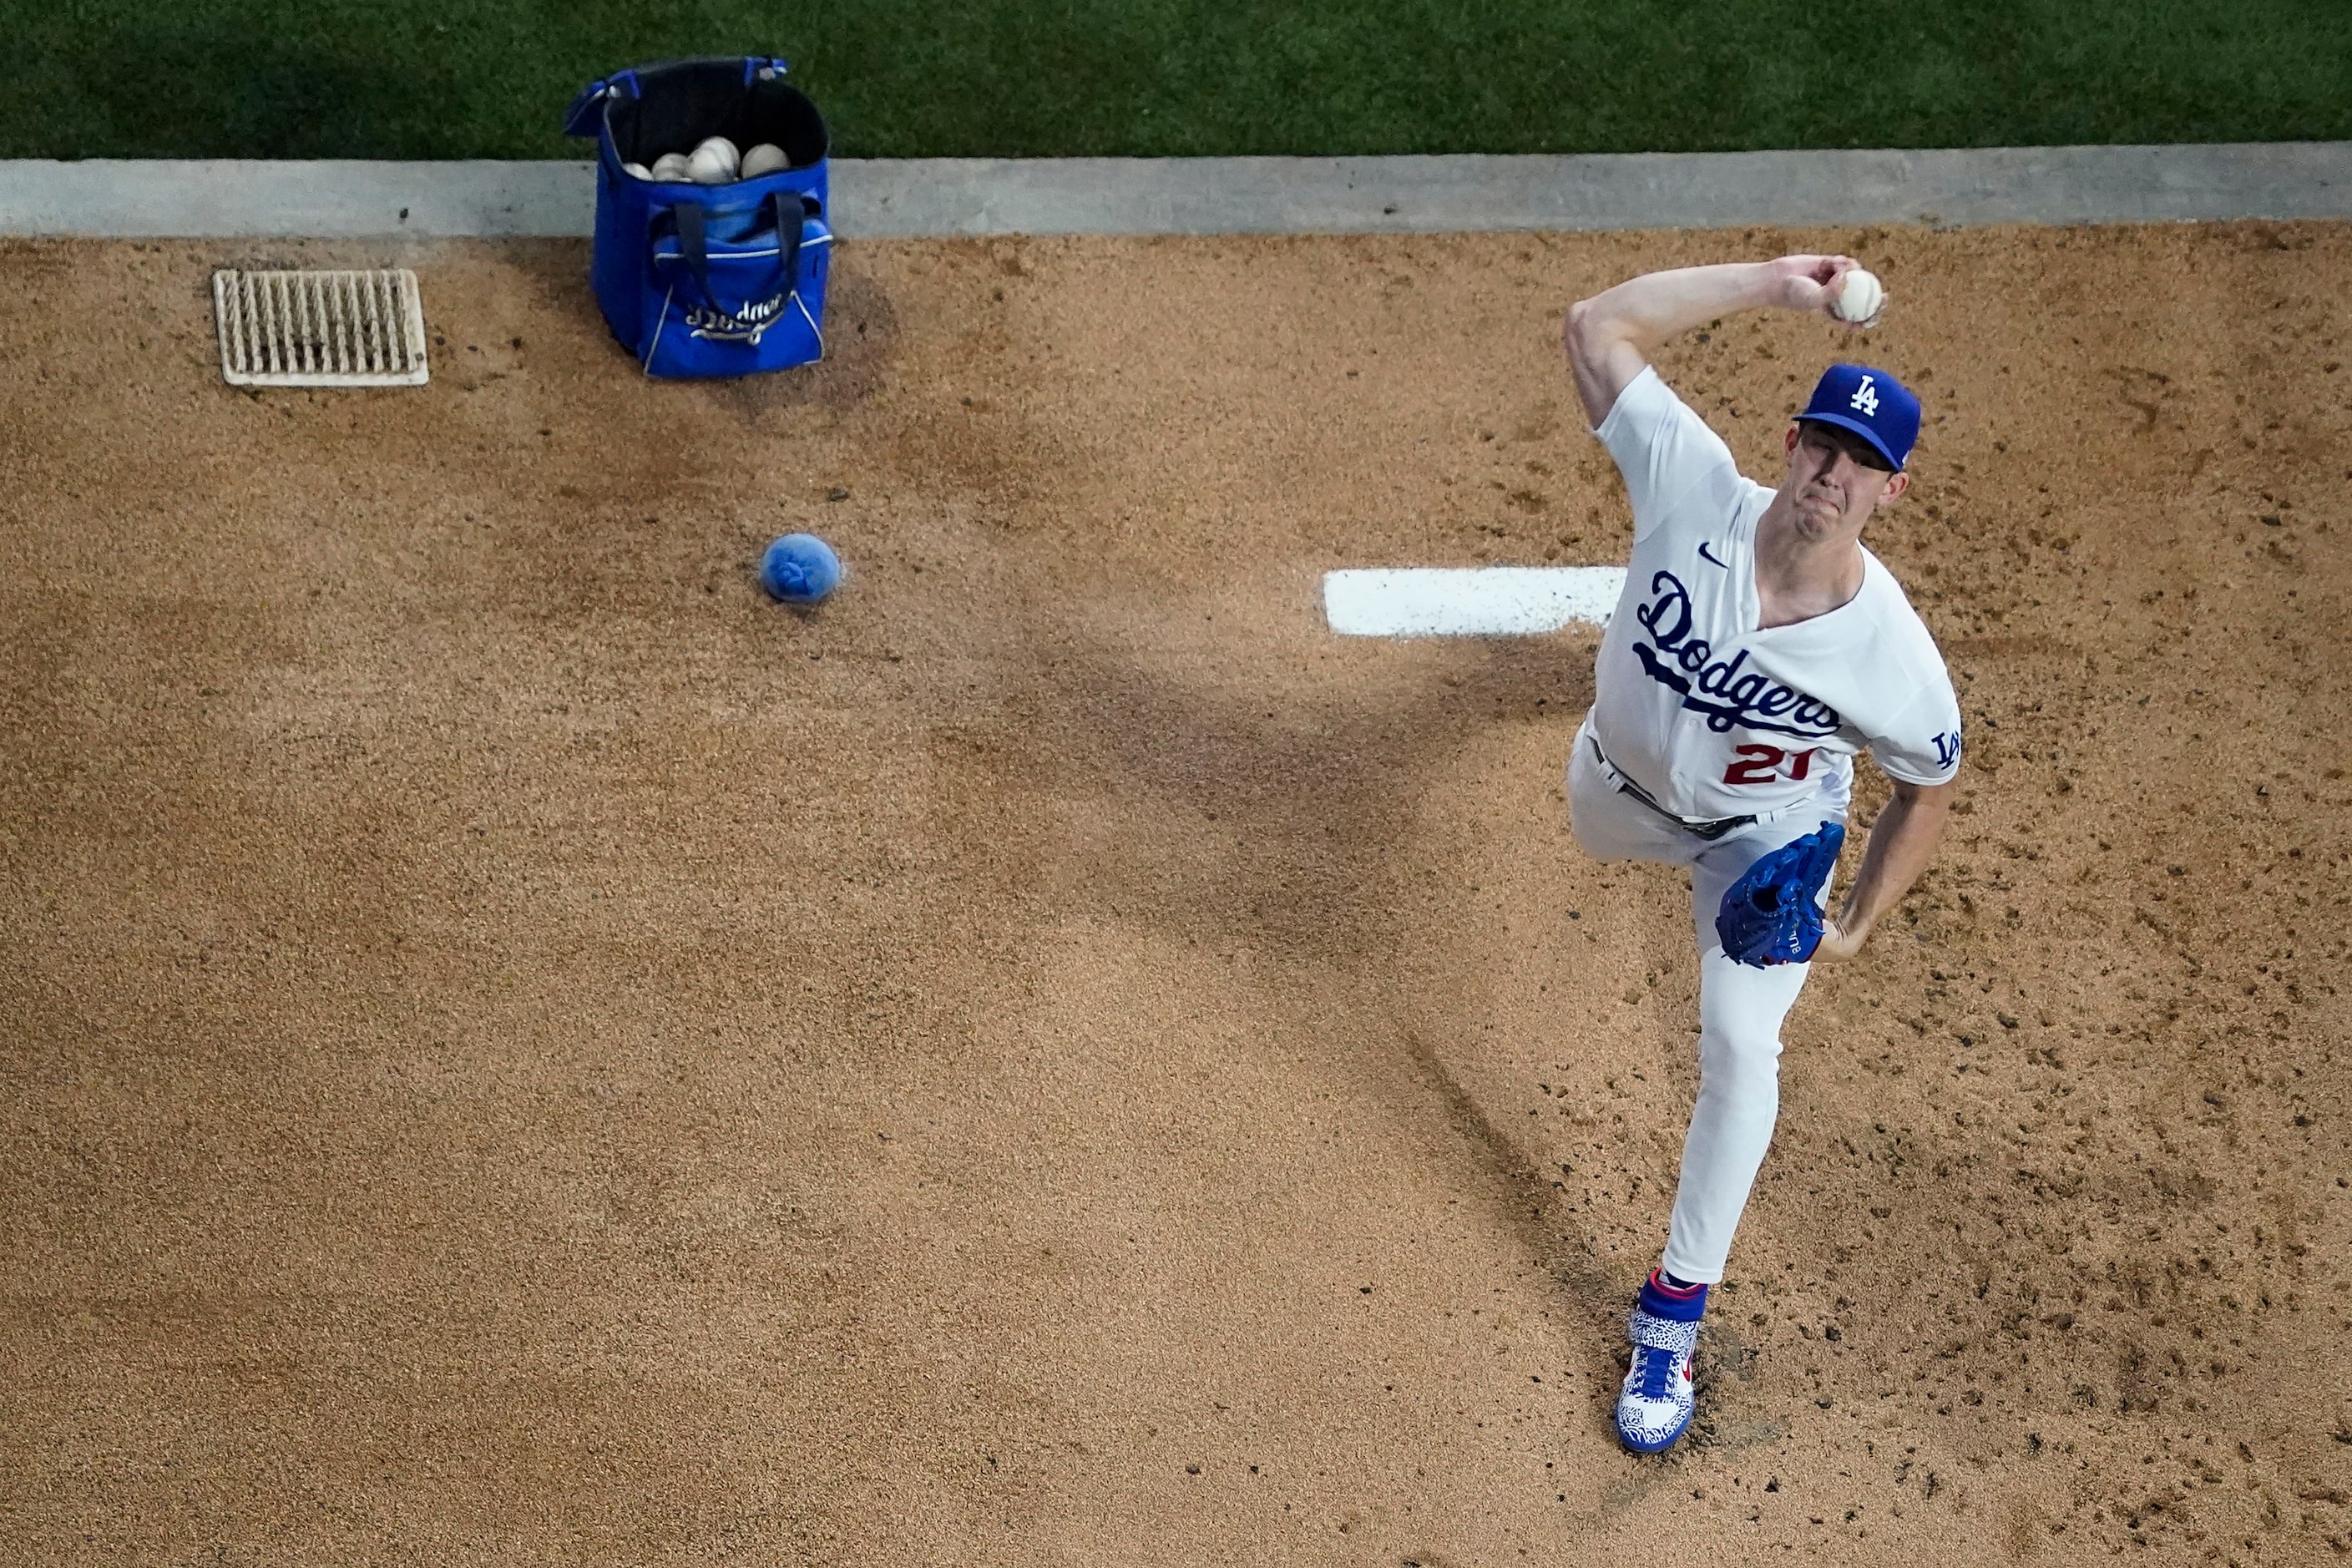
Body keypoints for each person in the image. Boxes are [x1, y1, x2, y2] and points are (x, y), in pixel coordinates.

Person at [1559, 255, 1965, 1453]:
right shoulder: (1692, 489)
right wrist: (1778, 286)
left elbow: (1929, 785)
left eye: (1863, 467)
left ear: (1894, 492)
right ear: (1790, 444)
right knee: (1598, 796)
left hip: (1763, 839)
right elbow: (1595, 325)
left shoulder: (1892, 660)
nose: (1832, 480)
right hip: (1616, 793)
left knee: (1742, 1045)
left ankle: (1669, 1316)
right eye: (1822, 448)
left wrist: (1851, 922)